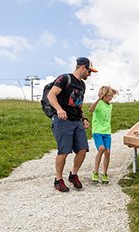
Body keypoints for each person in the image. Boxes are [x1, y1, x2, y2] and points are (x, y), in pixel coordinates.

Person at [48, 57, 98, 192]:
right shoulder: (64, 78)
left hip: (77, 121)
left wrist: (84, 118)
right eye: (89, 71)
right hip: (63, 121)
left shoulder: (82, 85)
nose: (90, 74)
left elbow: (78, 105)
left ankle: (73, 174)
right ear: (83, 67)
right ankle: (58, 180)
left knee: (82, 149)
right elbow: (51, 95)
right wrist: (59, 109)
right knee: (63, 151)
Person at [88, 86, 118, 184]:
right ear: (103, 95)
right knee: (101, 149)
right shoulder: (99, 104)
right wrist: (98, 99)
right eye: (109, 96)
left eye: (112, 96)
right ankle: (95, 172)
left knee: (108, 152)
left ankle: (105, 173)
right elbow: (90, 110)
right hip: (98, 131)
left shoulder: (110, 106)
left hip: (107, 132)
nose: (110, 98)